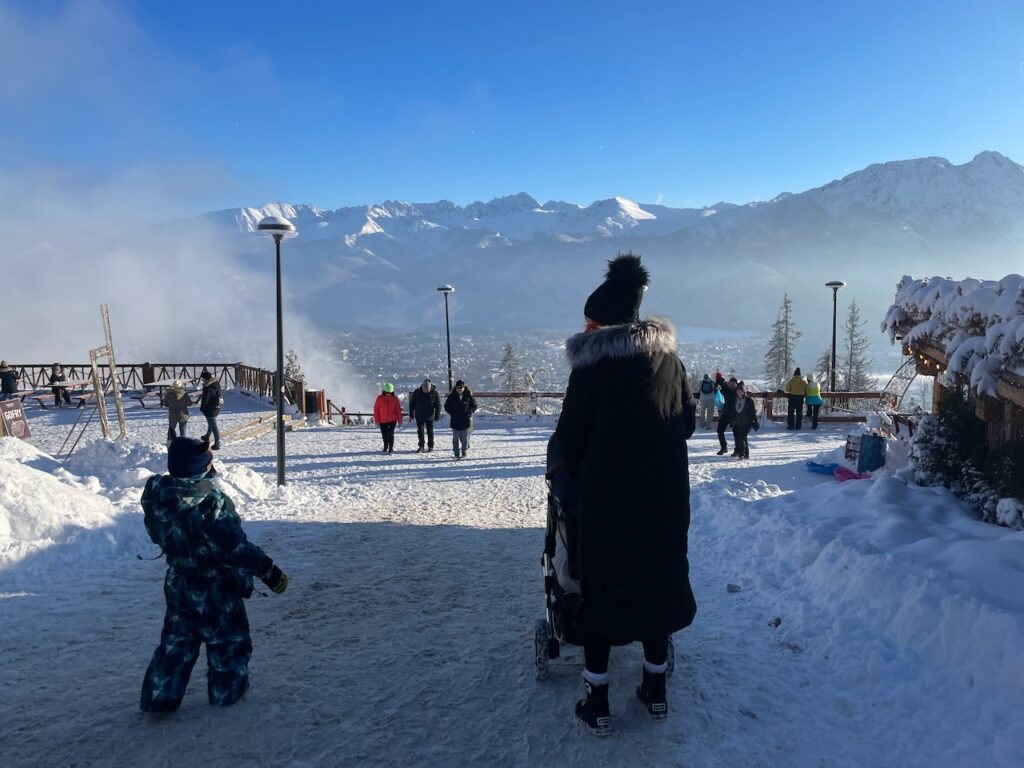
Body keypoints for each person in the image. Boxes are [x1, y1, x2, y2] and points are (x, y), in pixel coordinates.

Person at [554, 253, 697, 735]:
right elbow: (689, 424)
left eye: (589, 321)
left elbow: (569, 438)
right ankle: (654, 690)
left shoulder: (591, 371)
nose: (586, 328)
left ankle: (596, 701)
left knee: (603, 591)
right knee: (657, 582)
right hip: (664, 500)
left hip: (608, 503)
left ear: (604, 323)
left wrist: (562, 473)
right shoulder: (670, 362)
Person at [139, 437, 288, 712]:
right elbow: (235, 548)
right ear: (200, 467)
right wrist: (268, 569)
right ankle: (227, 697)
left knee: (176, 643)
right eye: (209, 461)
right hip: (217, 588)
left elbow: (156, 534)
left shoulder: (158, 496)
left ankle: (159, 699)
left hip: (179, 582)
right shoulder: (211, 503)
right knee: (228, 642)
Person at [444, 380, 477, 459]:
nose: (459, 389)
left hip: (465, 420)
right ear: (455, 388)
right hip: (455, 420)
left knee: (464, 438)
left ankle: (464, 452)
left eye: (461, 388)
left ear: (464, 388)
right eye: (458, 388)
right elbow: (446, 406)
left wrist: (469, 412)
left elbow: (474, 405)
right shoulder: (451, 396)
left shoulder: (468, 396)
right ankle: (456, 453)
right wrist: (452, 413)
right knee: (455, 438)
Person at [409, 377, 441, 452]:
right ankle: (421, 446)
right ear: (422, 387)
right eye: (424, 389)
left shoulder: (434, 393)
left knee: (430, 431)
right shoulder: (417, 392)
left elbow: (438, 405)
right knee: (420, 431)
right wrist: (411, 414)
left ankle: (430, 446)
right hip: (419, 415)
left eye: (427, 390)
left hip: (430, 416)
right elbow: (412, 404)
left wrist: (437, 415)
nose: (426, 391)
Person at [731, 382, 760, 460]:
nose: (739, 393)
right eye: (737, 392)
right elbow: (734, 412)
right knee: (741, 438)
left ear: (744, 392)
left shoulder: (749, 401)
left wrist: (756, 422)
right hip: (739, 422)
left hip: (747, 422)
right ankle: (746, 454)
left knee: (741, 437)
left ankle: (742, 454)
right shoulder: (736, 400)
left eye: (740, 392)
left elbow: (753, 413)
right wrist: (732, 422)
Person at [373, 382, 403, 453]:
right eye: (387, 392)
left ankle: (391, 447)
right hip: (382, 420)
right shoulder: (379, 398)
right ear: (384, 391)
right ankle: (385, 445)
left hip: (392, 420)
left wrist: (400, 421)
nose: (388, 394)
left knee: (390, 433)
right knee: (384, 434)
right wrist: (376, 421)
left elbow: (398, 410)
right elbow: (376, 410)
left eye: (390, 392)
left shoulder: (395, 399)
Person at [199, 369, 222, 450]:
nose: (202, 380)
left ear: (206, 379)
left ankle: (217, 444)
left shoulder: (207, 388)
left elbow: (205, 400)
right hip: (217, 407)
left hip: (210, 409)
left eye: (203, 379)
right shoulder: (216, 384)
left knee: (213, 426)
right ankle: (207, 436)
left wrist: (202, 408)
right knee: (211, 423)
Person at [716, 377, 739, 455]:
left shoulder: (738, 391)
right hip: (726, 413)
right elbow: (720, 388)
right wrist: (719, 382)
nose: (731, 385)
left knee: (736, 432)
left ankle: (737, 450)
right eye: (730, 383)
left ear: (736, 384)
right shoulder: (726, 390)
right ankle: (724, 447)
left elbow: (745, 394)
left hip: (735, 414)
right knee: (719, 430)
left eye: (733, 384)